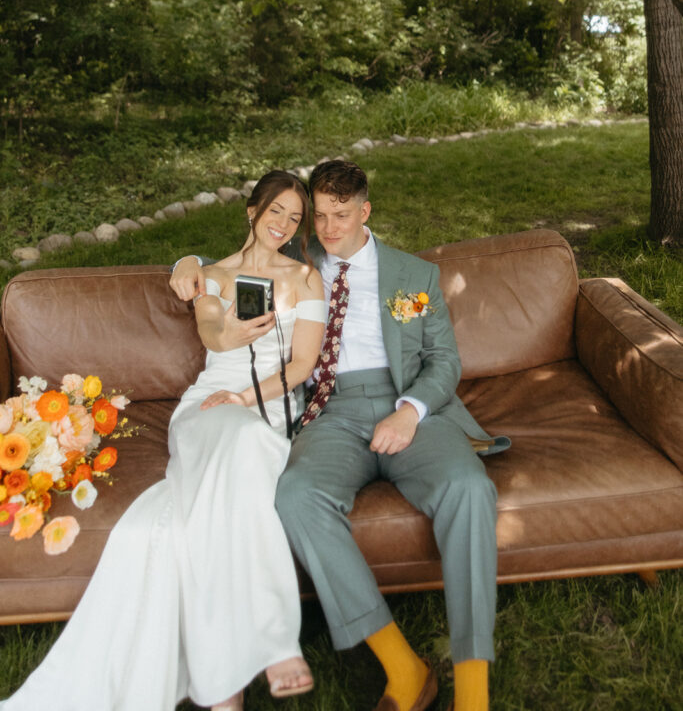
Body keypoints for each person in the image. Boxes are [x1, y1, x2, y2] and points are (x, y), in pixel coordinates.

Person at [170, 160, 510, 711]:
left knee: (469, 489)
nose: (328, 229)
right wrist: (184, 262)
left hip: (411, 407)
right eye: (320, 217)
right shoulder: (299, 266)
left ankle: (474, 694)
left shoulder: (412, 276)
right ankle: (403, 667)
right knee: (297, 496)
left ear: (365, 211)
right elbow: (230, 263)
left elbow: (444, 361)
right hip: (330, 410)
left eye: (341, 215)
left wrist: (409, 412)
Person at [1, 170, 326, 711]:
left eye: (295, 218)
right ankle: (270, 642)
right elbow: (211, 333)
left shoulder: (307, 279)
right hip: (208, 407)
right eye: (276, 212)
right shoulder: (213, 277)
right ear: (252, 211)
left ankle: (227, 691)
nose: (284, 225)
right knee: (235, 446)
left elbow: (304, 364)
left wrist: (248, 399)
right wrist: (232, 332)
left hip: (265, 406)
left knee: (234, 465)